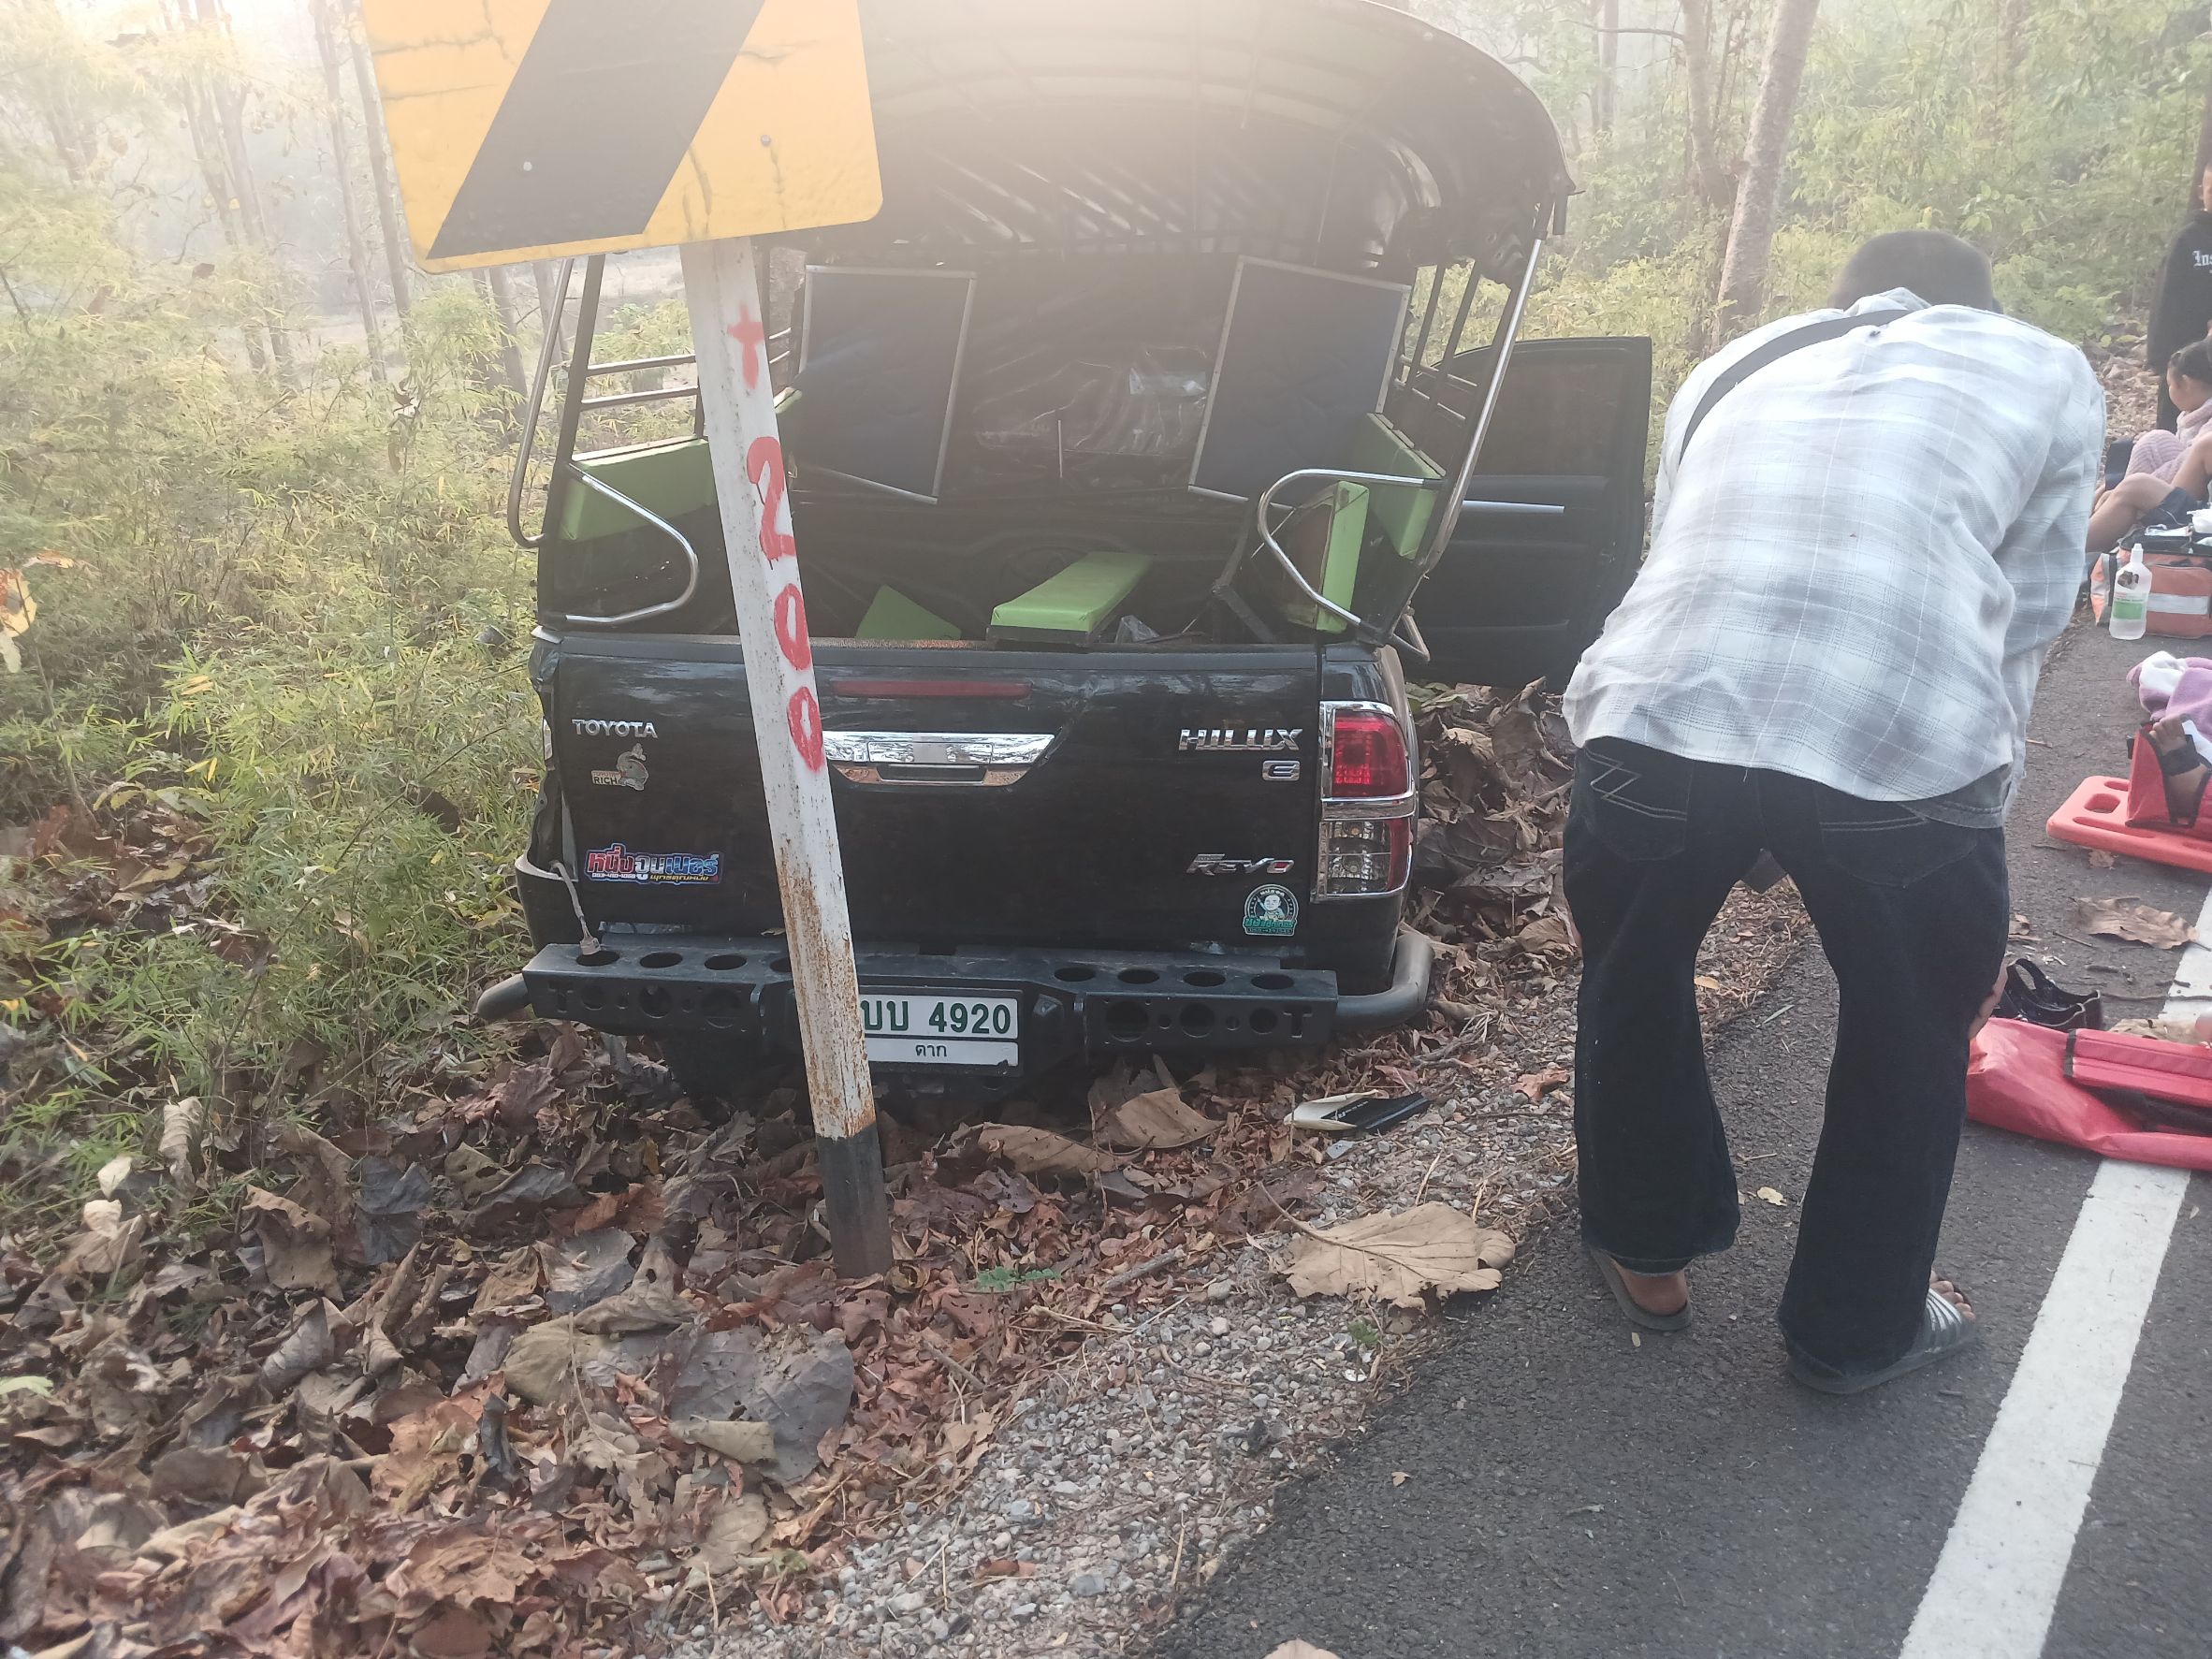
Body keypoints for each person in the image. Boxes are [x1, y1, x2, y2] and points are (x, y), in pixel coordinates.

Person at [1561, 230, 2103, 1395]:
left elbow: (1680, 547)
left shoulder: (1740, 359)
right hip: (1899, 727)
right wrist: (1974, 842)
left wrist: (1752, 805)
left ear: (1841, 300)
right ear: (1982, 306)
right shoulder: (2047, 368)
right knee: (1911, 1024)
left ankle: (1646, 1254)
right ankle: (1856, 1332)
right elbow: (2028, 612)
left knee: (1632, 970)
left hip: (1655, 709)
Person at [2087, 337, 2212, 548]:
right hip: (2197, 508)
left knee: (2135, 486)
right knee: (2155, 441)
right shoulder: (2196, 424)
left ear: (2187, 384)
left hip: (2200, 521)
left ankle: (2064, 553)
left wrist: (2120, 490)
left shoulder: (2206, 440)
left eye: (2169, 384)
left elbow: (2178, 487)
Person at [2147, 167, 2212, 430]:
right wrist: (2161, 357)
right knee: (2176, 428)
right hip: (2186, 357)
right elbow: (2166, 299)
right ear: (2201, 193)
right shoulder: (2187, 240)